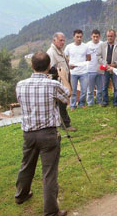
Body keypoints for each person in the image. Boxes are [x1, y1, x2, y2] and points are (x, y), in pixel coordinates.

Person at [15, 51, 70, 216]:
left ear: (32, 66)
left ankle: (21, 195)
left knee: (27, 165)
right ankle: (51, 211)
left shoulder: (20, 85)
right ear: (48, 67)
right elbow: (67, 95)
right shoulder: (52, 85)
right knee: (49, 172)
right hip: (48, 134)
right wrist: (63, 77)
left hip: (29, 133)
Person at [47, 32, 76, 131]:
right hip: (58, 82)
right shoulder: (51, 52)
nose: (62, 42)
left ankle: (62, 123)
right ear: (54, 40)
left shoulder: (59, 50)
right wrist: (59, 73)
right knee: (61, 104)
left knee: (62, 104)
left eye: (63, 40)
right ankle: (66, 125)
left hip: (63, 80)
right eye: (60, 40)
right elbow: (49, 69)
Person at [97, 29, 117, 107]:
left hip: (115, 69)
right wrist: (105, 64)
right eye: (108, 36)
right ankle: (105, 101)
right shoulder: (102, 45)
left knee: (116, 86)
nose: (110, 38)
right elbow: (98, 56)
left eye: (111, 36)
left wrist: (115, 64)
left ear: (115, 36)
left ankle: (115, 102)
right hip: (105, 69)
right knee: (104, 86)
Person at [64, 29, 90, 111]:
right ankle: (72, 105)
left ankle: (81, 103)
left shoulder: (85, 46)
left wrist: (83, 63)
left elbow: (89, 57)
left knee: (84, 89)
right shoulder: (69, 47)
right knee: (73, 90)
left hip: (84, 71)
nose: (79, 38)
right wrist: (69, 65)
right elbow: (65, 57)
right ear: (73, 37)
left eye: (80, 37)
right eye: (77, 37)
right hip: (73, 72)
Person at [86, 29, 103, 106]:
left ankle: (99, 101)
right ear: (91, 36)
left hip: (100, 70)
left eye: (97, 36)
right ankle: (90, 103)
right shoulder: (87, 45)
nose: (95, 38)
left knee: (100, 88)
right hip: (90, 69)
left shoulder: (103, 44)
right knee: (90, 89)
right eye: (94, 36)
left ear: (99, 36)